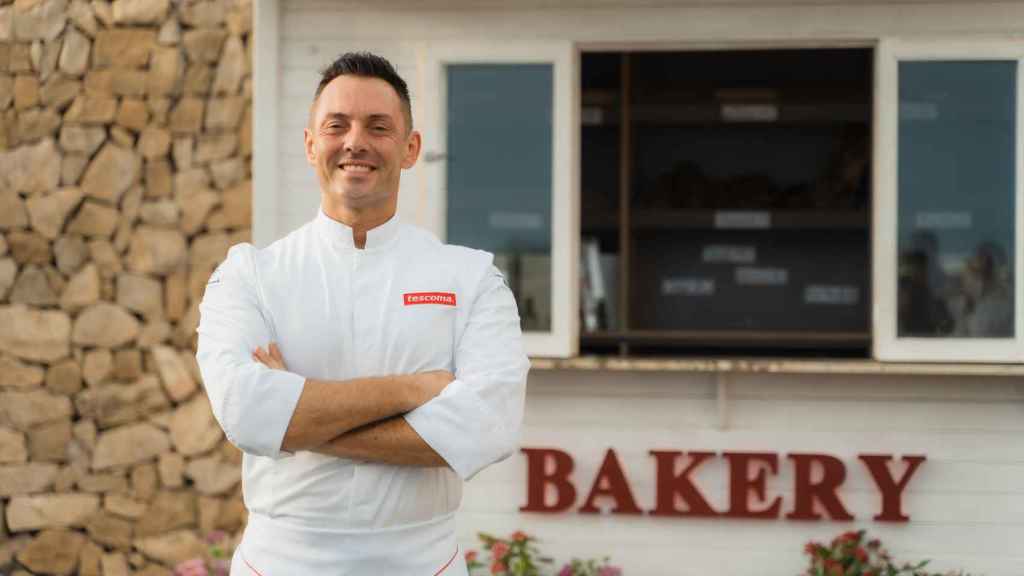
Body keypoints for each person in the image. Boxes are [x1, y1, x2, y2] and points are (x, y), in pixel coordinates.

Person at [196, 52, 529, 574]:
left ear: (411, 148)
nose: (356, 142)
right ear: (310, 144)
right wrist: (413, 391)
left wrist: (298, 421)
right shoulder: (249, 275)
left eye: (379, 127)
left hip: (422, 563)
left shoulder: (471, 280)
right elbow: (245, 412)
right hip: (281, 563)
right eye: (337, 125)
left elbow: (488, 428)